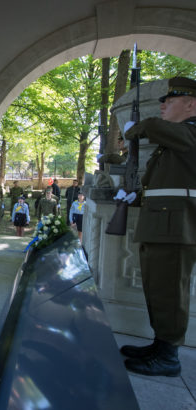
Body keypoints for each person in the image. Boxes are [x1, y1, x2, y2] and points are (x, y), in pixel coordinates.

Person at [119, 77, 196, 377]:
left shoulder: (189, 134)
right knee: (158, 290)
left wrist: (135, 128)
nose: (163, 105)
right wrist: (134, 195)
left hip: (178, 228)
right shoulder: (175, 142)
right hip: (162, 226)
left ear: (191, 104)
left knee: (170, 293)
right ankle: (160, 344)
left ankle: (168, 357)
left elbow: (152, 126)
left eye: (171, 100)